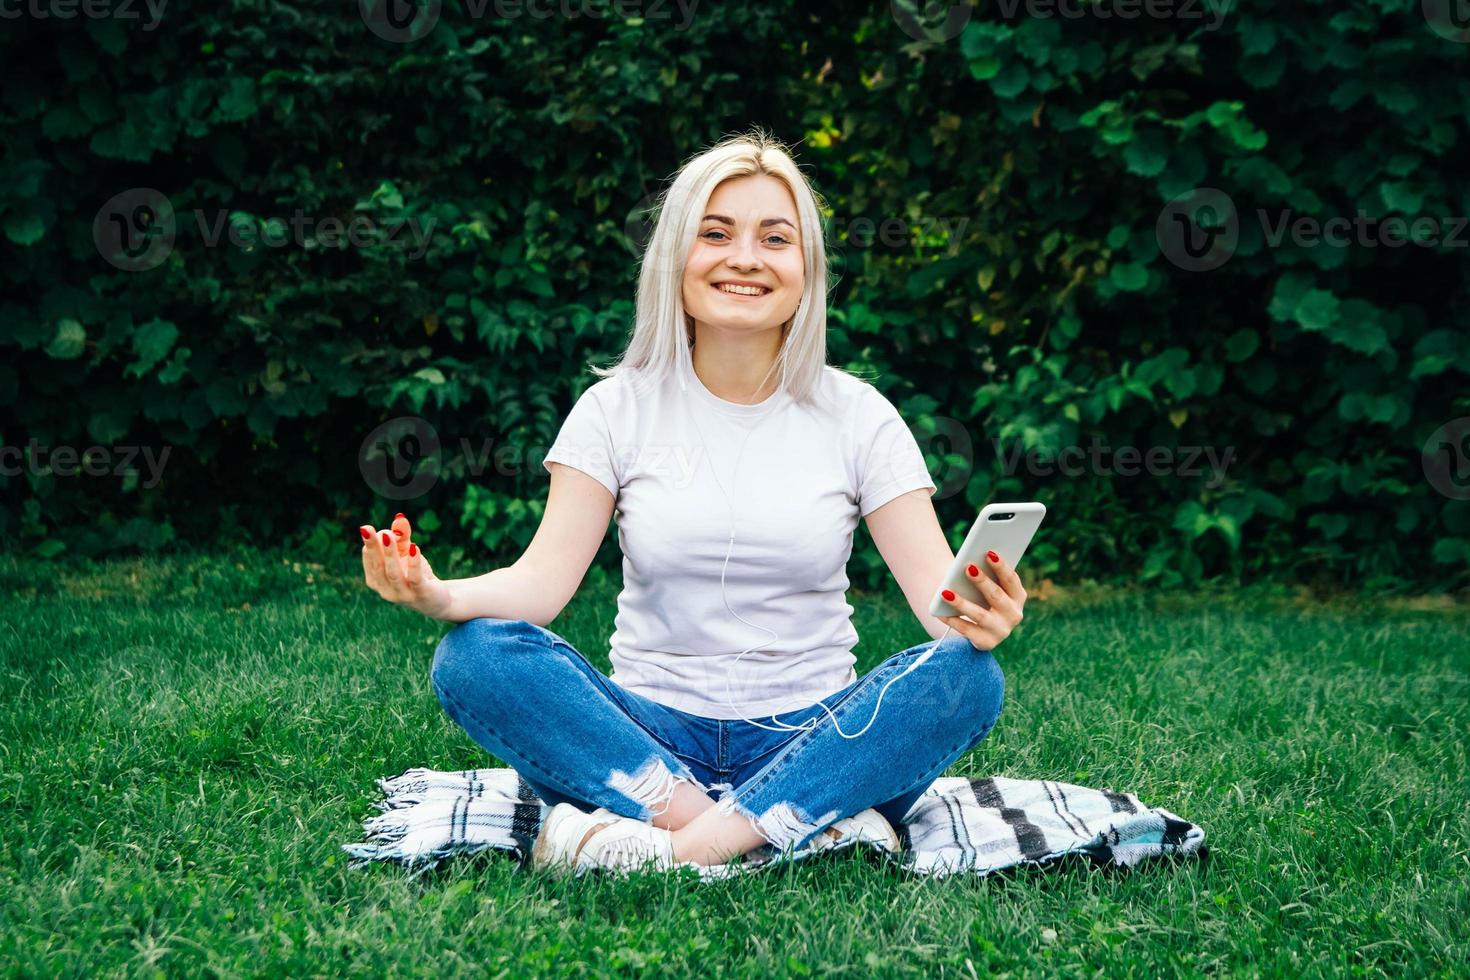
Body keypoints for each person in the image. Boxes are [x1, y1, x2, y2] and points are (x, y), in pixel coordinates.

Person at [358, 128, 1028, 874]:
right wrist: (436, 591)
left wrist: (981, 613)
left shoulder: (861, 416)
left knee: (968, 677)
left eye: (775, 238)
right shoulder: (616, 409)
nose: (745, 257)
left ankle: (675, 851)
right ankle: (770, 827)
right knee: (477, 656)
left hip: (815, 736)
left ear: (805, 269)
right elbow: (539, 587)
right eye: (716, 233)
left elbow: (940, 607)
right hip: (649, 742)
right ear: (677, 256)